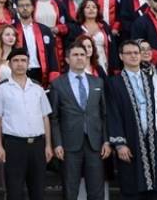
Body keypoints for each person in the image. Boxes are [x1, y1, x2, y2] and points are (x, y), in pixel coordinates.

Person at [106, 40, 157, 200]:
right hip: (130, 142)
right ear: (121, 56)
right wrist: (120, 143)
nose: (133, 56)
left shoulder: (154, 80)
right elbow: (112, 113)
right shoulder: (114, 83)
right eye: (129, 53)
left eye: (136, 53)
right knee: (133, 190)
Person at [49, 45, 109, 200]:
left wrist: (106, 141)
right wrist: (57, 143)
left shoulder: (98, 82)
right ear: (68, 59)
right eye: (75, 55)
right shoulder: (58, 84)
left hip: (94, 144)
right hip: (69, 145)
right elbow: (54, 117)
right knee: (70, 190)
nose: (80, 57)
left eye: (83, 54)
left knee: (96, 191)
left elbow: (104, 115)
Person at [0, 48, 51, 200]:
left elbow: (45, 117)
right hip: (14, 145)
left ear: (28, 64)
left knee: (38, 192)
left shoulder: (38, 88)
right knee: (14, 191)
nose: (20, 64)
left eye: (23, 60)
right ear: (9, 64)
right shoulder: (1, 89)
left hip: (37, 145)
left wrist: (48, 145)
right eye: (16, 61)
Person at [13, 0, 59, 84]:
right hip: (20, 71)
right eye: (21, 6)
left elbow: (52, 54)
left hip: (41, 71)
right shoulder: (12, 30)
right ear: (17, 9)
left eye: (27, 5)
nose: (25, 8)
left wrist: (54, 73)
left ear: (33, 7)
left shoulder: (44, 30)